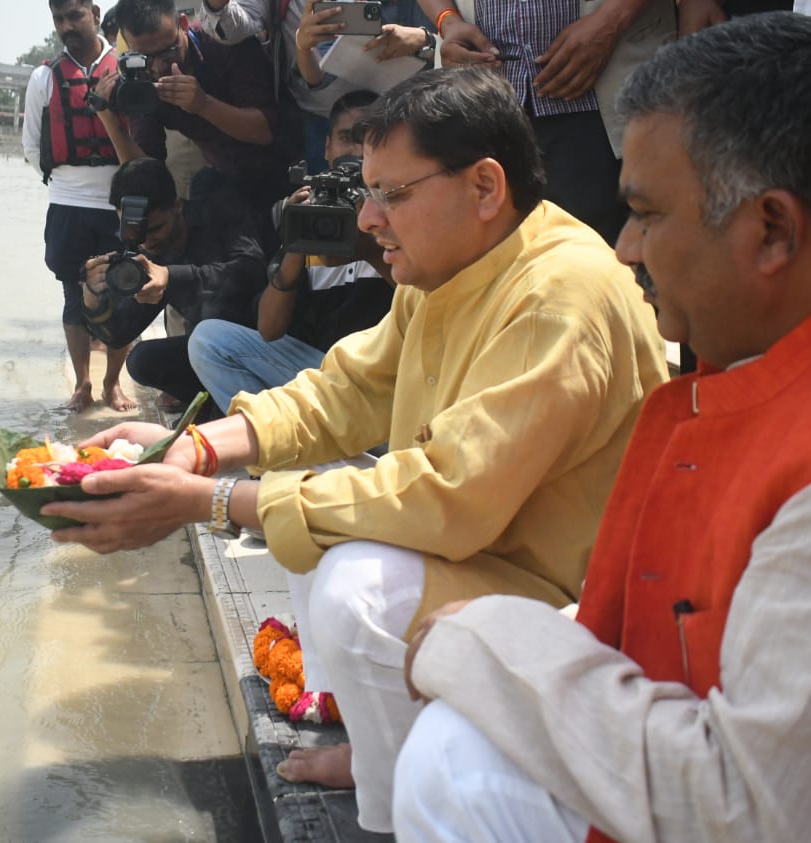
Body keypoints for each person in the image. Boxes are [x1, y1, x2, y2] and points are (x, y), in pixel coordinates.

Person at [45, 67, 667, 834]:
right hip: (494, 553)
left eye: (392, 194)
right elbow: (344, 393)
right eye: (366, 191)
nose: (368, 219)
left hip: (573, 596)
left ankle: (397, 803)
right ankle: (384, 761)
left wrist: (209, 501)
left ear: (484, 187)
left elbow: (446, 495)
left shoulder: (559, 296)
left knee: (354, 586)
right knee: (320, 531)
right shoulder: (450, 264)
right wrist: (196, 449)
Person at [396, 15, 811, 843]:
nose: (626, 247)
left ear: (772, 230)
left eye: (646, 214)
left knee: (453, 759)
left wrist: (481, 643)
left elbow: (746, 809)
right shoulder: (751, 359)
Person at [188, 89, 394, 413]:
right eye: (346, 138)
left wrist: (368, 245)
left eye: (366, 140)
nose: (355, 151)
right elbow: (270, 331)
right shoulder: (312, 205)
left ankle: (313, 448)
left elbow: (427, 300)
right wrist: (295, 245)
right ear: (327, 147)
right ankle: (279, 446)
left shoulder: (400, 208)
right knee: (209, 340)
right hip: (324, 372)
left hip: (387, 376)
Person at [420, 0, 673, 246]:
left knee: (620, 263)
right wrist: (447, 20)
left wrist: (612, 19)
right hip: (481, 109)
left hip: (606, 102)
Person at [81, 157, 267, 415]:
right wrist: (92, 297)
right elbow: (119, 335)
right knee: (142, 361)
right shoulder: (150, 253)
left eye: (157, 228)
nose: (148, 241)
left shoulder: (218, 210)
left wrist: (172, 276)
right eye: (139, 233)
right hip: (207, 358)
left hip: (262, 344)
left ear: (177, 206)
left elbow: (252, 269)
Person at [23, 0, 137, 413]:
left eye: (74, 15)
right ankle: (84, 385)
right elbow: (32, 147)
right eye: (58, 19)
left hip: (120, 200)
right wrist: (65, 184)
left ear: (93, 11)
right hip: (68, 201)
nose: (67, 26)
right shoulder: (43, 77)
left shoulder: (126, 68)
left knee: (125, 293)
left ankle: (113, 384)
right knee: (74, 295)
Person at [90, 0, 301, 210]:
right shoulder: (141, 77)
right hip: (227, 180)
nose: (158, 66)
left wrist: (204, 105)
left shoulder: (223, 42)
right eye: (145, 57)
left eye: (168, 52)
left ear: (183, 24)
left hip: (284, 169)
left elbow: (264, 132)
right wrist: (108, 119)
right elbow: (147, 171)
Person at [198, 0, 436, 172]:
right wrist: (218, 5)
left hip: (408, 116)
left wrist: (426, 39)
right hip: (324, 117)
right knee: (332, 212)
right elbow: (231, 30)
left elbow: (453, 40)